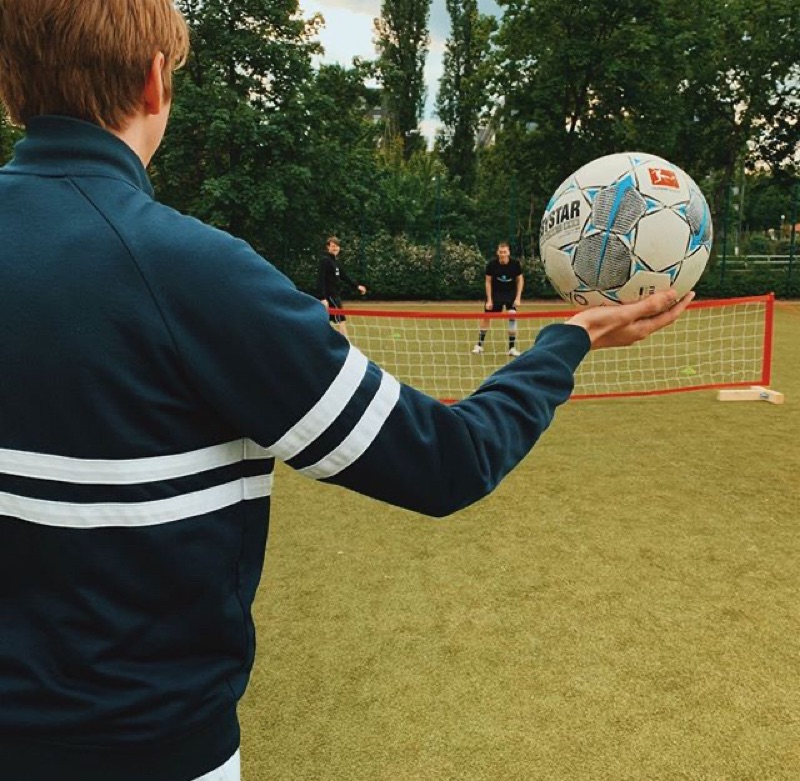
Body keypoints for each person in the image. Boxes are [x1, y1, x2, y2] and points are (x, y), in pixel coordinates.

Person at [0, 2, 694, 780]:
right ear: (154, 80)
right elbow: (446, 462)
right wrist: (574, 338)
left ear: (10, 85)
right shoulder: (193, 274)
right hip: (152, 749)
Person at [472, 241, 524, 356]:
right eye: (501, 252)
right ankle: (479, 345)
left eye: (505, 252)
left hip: (510, 293)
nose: (502, 254)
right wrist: (489, 300)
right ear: (497, 252)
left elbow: (520, 280)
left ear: (508, 252)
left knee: (512, 316)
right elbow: (488, 282)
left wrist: (518, 298)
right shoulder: (492, 265)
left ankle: (512, 348)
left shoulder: (515, 264)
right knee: (486, 317)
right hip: (496, 293)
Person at [318, 235, 367, 339]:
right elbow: (320, 279)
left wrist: (357, 286)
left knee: (329, 320)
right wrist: (323, 298)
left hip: (335, 294)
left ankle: (328, 340)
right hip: (330, 296)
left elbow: (345, 276)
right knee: (341, 319)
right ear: (328, 247)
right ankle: (345, 342)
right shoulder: (325, 261)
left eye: (337, 246)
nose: (335, 248)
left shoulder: (336, 262)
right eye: (333, 246)